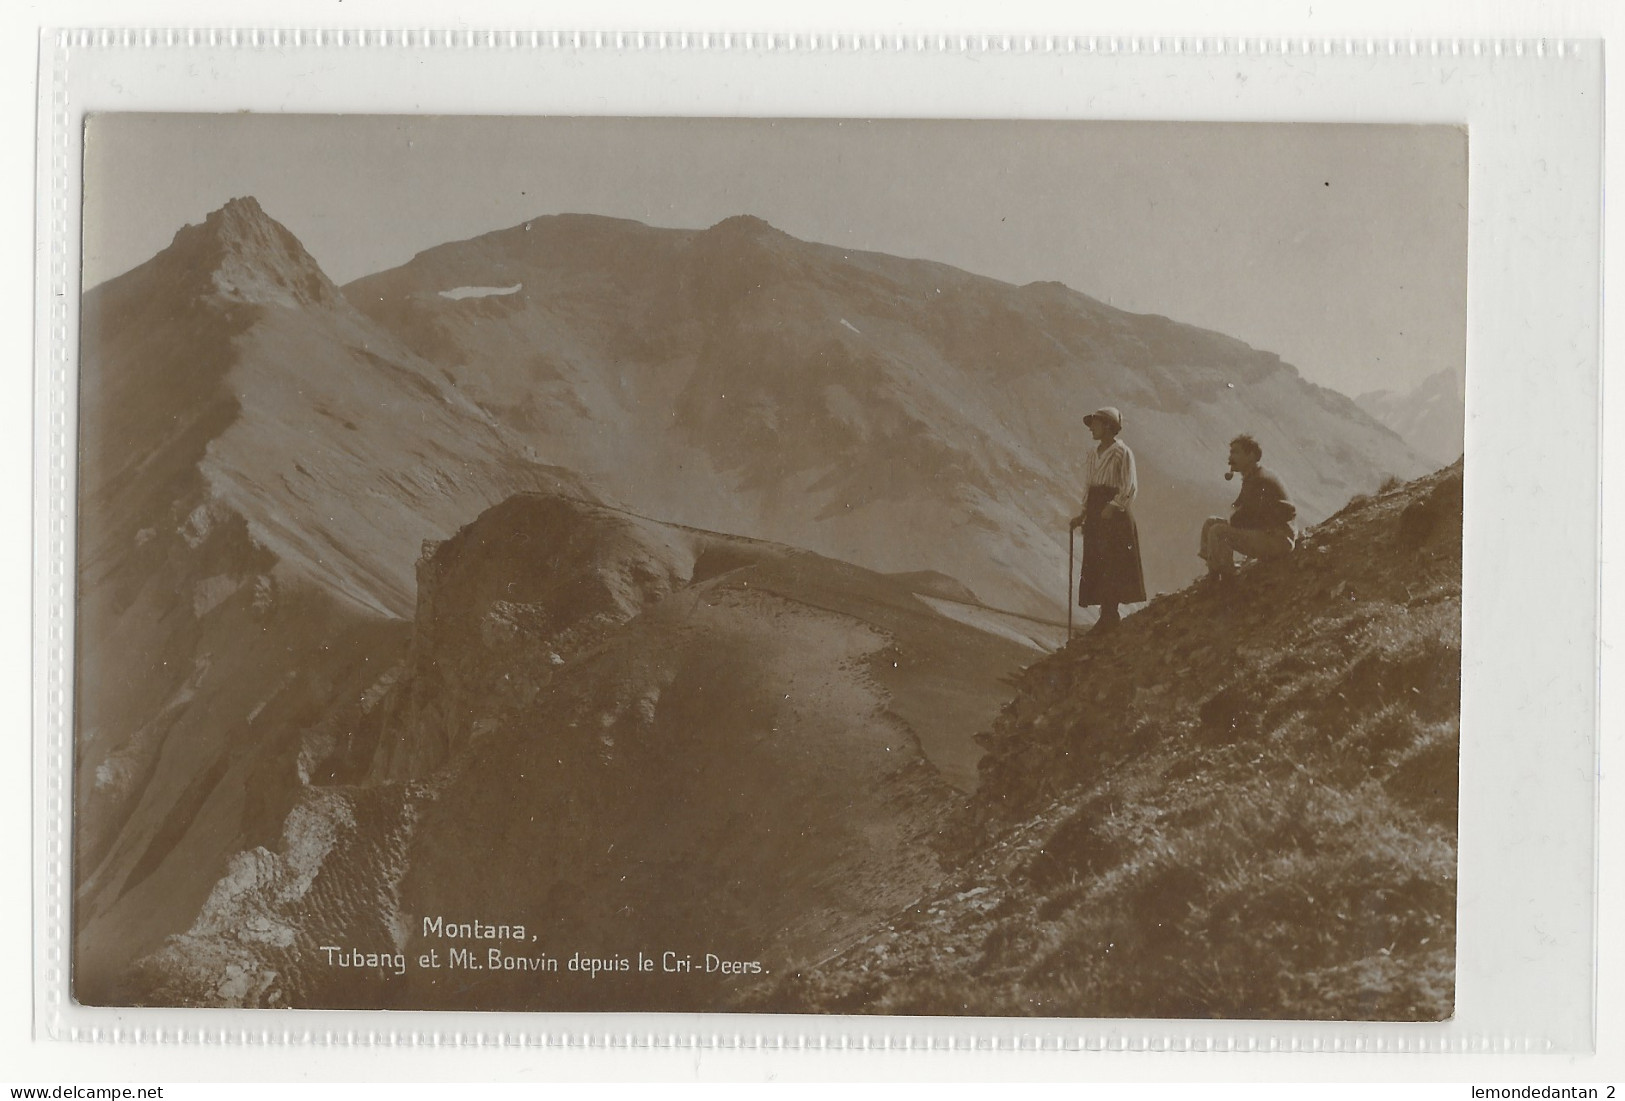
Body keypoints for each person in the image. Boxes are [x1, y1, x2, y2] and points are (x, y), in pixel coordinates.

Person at [1068, 406, 1146, 632]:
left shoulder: (1122, 452)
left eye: (1096, 424)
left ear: (1109, 426)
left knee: (1113, 561)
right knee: (1097, 560)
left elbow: (1129, 486)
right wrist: (1083, 513)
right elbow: (1089, 486)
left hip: (1115, 515)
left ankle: (1111, 615)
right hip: (1096, 512)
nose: (1091, 428)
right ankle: (1105, 616)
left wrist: (1113, 506)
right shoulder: (1093, 454)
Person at [1199, 434, 1297, 581]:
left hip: (1278, 540)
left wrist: (1233, 522)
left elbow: (1242, 518)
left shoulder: (1260, 480)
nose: (1230, 458)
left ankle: (1226, 578)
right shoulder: (1252, 477)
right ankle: (1215, 572)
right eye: (1231, 453)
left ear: (1251, 455)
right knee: (1211, 523)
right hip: (1269, 536)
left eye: (1236, 452)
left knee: (1218, 531)